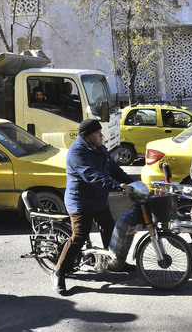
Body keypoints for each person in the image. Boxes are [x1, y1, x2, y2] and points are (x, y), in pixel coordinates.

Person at [51, 119, 135, 295]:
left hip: (98, 199)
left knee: (111, 231)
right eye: (98, 133)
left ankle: (115, 263)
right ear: (88, 137)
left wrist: (132, 183)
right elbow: (92, 175)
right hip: (80, 201)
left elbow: (113, 169)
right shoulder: (77, 153)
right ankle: (59, 271)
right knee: (79, 236)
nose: (102, 135)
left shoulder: (100, 148)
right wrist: (117, 187)